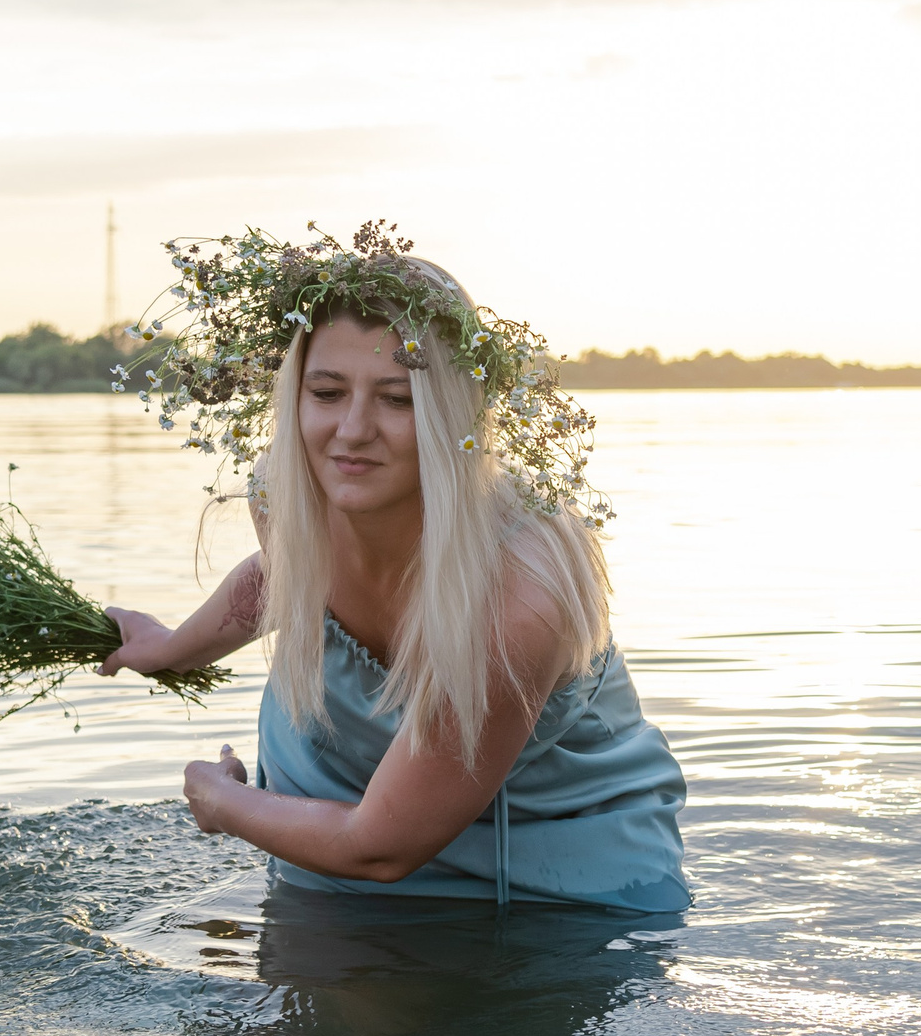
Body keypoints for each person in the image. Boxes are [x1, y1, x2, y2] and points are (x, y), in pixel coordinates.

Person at [96, 225, 688, 914]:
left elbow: (380, 847)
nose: (351, 429)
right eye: (326, 392)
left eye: (396, 398)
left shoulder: (522, 594)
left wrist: (225, 802)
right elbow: (284, 575)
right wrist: (166, 650)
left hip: (556, 898)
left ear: (454, 415)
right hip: (330, 859)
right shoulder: (281, 493)